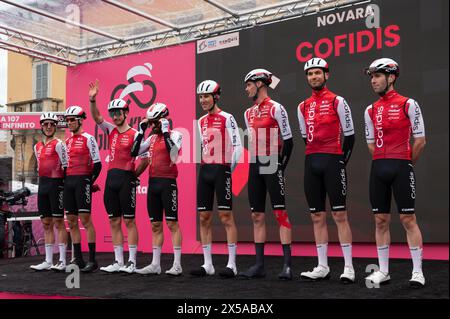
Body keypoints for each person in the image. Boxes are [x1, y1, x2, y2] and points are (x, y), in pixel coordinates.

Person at [363, 58, 426, 287]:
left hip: (401, 166)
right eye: (371, 76)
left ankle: (417, 271)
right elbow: (370, 143)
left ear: (391, 77)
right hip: (378, 167)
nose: (373, 80)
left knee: (408, 219)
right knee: (380, 220)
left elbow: (420, 140)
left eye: (377, 75)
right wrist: (382, 158)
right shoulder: (369, 109)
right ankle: (384, 271)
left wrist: (406, 162)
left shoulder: (409, 104)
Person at [297, 58, 356, 283]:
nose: (314, 77)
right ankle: (323, 266)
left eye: (318, 73)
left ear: (327, 75)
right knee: (316, 215)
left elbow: (350, 136)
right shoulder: (302, 106)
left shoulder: (338, 101)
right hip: (311, 162)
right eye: (310, 74)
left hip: (333, 160)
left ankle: (349, 267)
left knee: (340, 215)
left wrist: (341, 162)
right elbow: (305, 137)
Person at [239, 68, 294, 280]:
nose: (246, 89)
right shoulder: (247, 113)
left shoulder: (276, 108)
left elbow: (288, 141)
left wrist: (281, 166)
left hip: (272, 161)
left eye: (249, 84)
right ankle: (259, 265)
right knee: (256, 215)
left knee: (281, 214)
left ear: (260, 83)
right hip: (254, 163)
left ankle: (287, 266)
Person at [190, 80, 242, 278]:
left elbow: (237, 147)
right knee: (204, 218)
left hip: (222, 170)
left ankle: (232, 264)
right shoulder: (201, 121)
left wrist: (229, 169)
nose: (203, 100)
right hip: (205, 171)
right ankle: (208, 264)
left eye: (206, 96)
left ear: (216, 97)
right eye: (200, 97)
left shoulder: (227, 117)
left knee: (226, 217)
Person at [88, 80, 139, 274]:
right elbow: (97, 117)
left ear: (126, 113)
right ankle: (118, 261)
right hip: (111, 180)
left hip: (126, 179)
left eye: (119, 113)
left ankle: (132, 261)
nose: (115, 116)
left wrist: (135, 174)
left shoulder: (135, 134)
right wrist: (92, 100)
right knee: (114, 221)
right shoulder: (110, 130)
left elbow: (145, 159)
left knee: (129, 221)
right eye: (113, 113)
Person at [131, 103, 183, 276]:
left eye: (155, 123)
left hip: (168, 183)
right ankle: (155, 264)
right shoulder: (151, 138)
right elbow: (135, 151)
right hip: (153, 184)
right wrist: (141, 130)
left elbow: (174, 155)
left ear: (163, 120)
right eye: (150, 123)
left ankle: (177, 265)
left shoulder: (176, 134)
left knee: (172, 223)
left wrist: (166, 131)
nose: (152, 126)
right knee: (155, 225)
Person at [64, 106, 102, 273]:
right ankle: (78, 259)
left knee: (86, 221)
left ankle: (92, 260)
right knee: (72, 222)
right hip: (69, 182)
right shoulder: (67, 141)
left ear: (80, 120)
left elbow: (98, 165)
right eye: (68, 120)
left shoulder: (89, 138)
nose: (69, 123)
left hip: (82, 181)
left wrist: (88, 182)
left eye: (72, 119)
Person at [29, 112, 69, 271]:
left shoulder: (59, 144)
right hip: (43, 185)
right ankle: (48, 260)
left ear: (55, 126)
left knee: (59, 222)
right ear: (41, 126)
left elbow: (66, 166)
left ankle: (63, 260)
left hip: (56, 184)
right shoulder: (37, 146)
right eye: (45, 124)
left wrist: (63, 186)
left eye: (52, 124)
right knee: (46, 223)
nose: (49, 127)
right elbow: (40, 167)